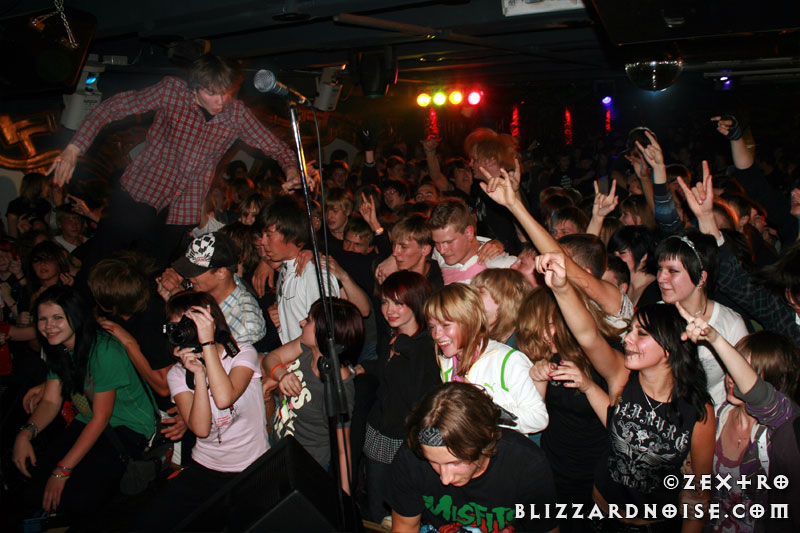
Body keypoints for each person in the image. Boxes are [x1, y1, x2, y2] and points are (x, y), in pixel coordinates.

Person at [48, 53, 299, 265]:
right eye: (212, 93)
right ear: (194, 87)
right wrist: (73, 149)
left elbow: (277, 147)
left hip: (180, 210)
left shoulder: (236, 115)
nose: (221, 101)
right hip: (137, 196)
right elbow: (111, 108)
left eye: (226, 93)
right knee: (102, 262)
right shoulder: (171, 91)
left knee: (151, 274)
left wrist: (291, 170)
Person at [534, 253, 714, 532]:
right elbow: (587, 335)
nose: (628, 338)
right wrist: (562, 288)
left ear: (670, 347)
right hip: (598, 518)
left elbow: (698, 492)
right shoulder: (622, 377)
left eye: (641, 334)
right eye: (631, 330)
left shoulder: (697, 410)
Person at [12, 286, 156, 528]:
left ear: (76, 316)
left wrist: (62, 470)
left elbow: (102, 417)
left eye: (57, 318)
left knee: (78, 498)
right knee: (33, 486)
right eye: (43, 319)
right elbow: (51, 401)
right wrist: (25, 434)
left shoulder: (103, 349)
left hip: (127, 426)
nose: (48, 326)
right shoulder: (59, 347)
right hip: (89, 419)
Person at [137, 290, 268, 531]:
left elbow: (224, 398)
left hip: (252, 468)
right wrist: (198, 374)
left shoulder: (240, 353)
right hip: (206, 467)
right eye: (177, 326)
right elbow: (200, 429)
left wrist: (207, 344)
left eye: (189, 324)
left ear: (209, 322)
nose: (184, 332)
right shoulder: (178, 374)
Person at [679, 312, 800, 533]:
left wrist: (715, 338)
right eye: (732, 366)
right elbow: (693, 489)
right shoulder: (716, 417)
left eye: (745, 371)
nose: (731, 378)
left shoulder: (780, 431)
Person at [388, 382, 558, 533]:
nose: (445, 478)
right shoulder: (411, 457)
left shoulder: (527, 464)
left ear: (484, 443)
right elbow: (405, 527)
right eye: (433, 462)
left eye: (455, 463)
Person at [362, 271, 440, 525]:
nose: (389, 310)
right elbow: (386, 378)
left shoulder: (427, 346)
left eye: (398, 303)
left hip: (404, 440)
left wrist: (404, 348)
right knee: (376, 505)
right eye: (385, 302)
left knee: (403, 510)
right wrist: (362, 368)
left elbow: (419, 398)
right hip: (377, 430)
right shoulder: (390, 335)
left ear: (416, 302)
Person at [264, 298, 363, 493]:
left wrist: (344, 499)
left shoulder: (338, 388)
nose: (302, 322)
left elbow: (342, 451)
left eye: (309, 320)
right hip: (278, 445)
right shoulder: (307, 348)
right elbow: (270, 358)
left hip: (302, 467)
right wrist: (281, 374)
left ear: (326, 335)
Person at [424, 282, 548, 435]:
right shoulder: (447, 362)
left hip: (504, 449)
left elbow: (539, 419)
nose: (436, 335)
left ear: (470, 321)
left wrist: (485, 406)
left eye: (446, 325)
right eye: (432, 327)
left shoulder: (508, 360)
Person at [471, 267, 532, 347]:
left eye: (480, 291)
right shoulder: (472, 335)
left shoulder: (524, 346)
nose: (470, 295)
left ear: (504, 300)